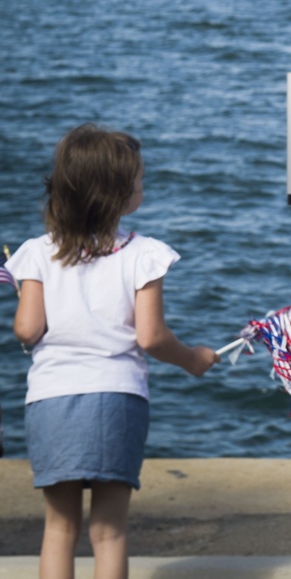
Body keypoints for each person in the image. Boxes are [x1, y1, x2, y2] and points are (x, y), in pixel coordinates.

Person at [8, 124, 219, 579]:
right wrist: (194, 359)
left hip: (50, 398)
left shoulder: (35, 253)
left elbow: (26, 329)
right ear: (118, 195)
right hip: (117, 397)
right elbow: (151, 337)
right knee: (109, 530)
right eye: (139, 180)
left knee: (59, 528)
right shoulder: (143, 255)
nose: (143, 186)